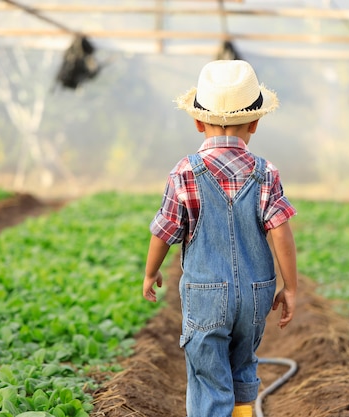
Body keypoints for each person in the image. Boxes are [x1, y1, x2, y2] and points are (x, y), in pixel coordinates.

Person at [142, 60, 298, 417]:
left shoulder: (184, 172)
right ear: (255, 123)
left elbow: (164, 230)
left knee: (208, 377)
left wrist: (151, 272)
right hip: (257, 292)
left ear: (198, 121)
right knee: (243, 366)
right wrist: (290, 287)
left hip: (206, 295)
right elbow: (281, 232)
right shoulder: (266, 172)